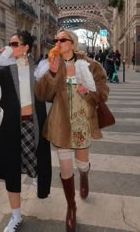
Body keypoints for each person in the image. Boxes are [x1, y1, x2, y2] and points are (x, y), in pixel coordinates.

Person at [34, 29, 109, 232]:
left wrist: (87, 92)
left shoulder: (91, 65)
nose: (57, 42)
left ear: (73, 44)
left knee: (81, 163)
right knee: (65, 168)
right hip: (60, 123)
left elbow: (102, 94)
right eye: (55, 39)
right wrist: (50, 72)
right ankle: (71, 206)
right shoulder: (52, 64)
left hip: (82, 123)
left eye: (62, 39)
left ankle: (84, 174)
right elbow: (41, 94)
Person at [0, 30, 52, 232]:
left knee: (37, 161)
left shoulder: (38, 68)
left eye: (15, 44)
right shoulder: (4, 67)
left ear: (26, 48)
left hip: (34, 124)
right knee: (12, 169)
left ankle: (34, 176)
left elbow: (48, 95)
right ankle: (15, 216)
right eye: (10, 44)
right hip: (10, 126)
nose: (10, 47)